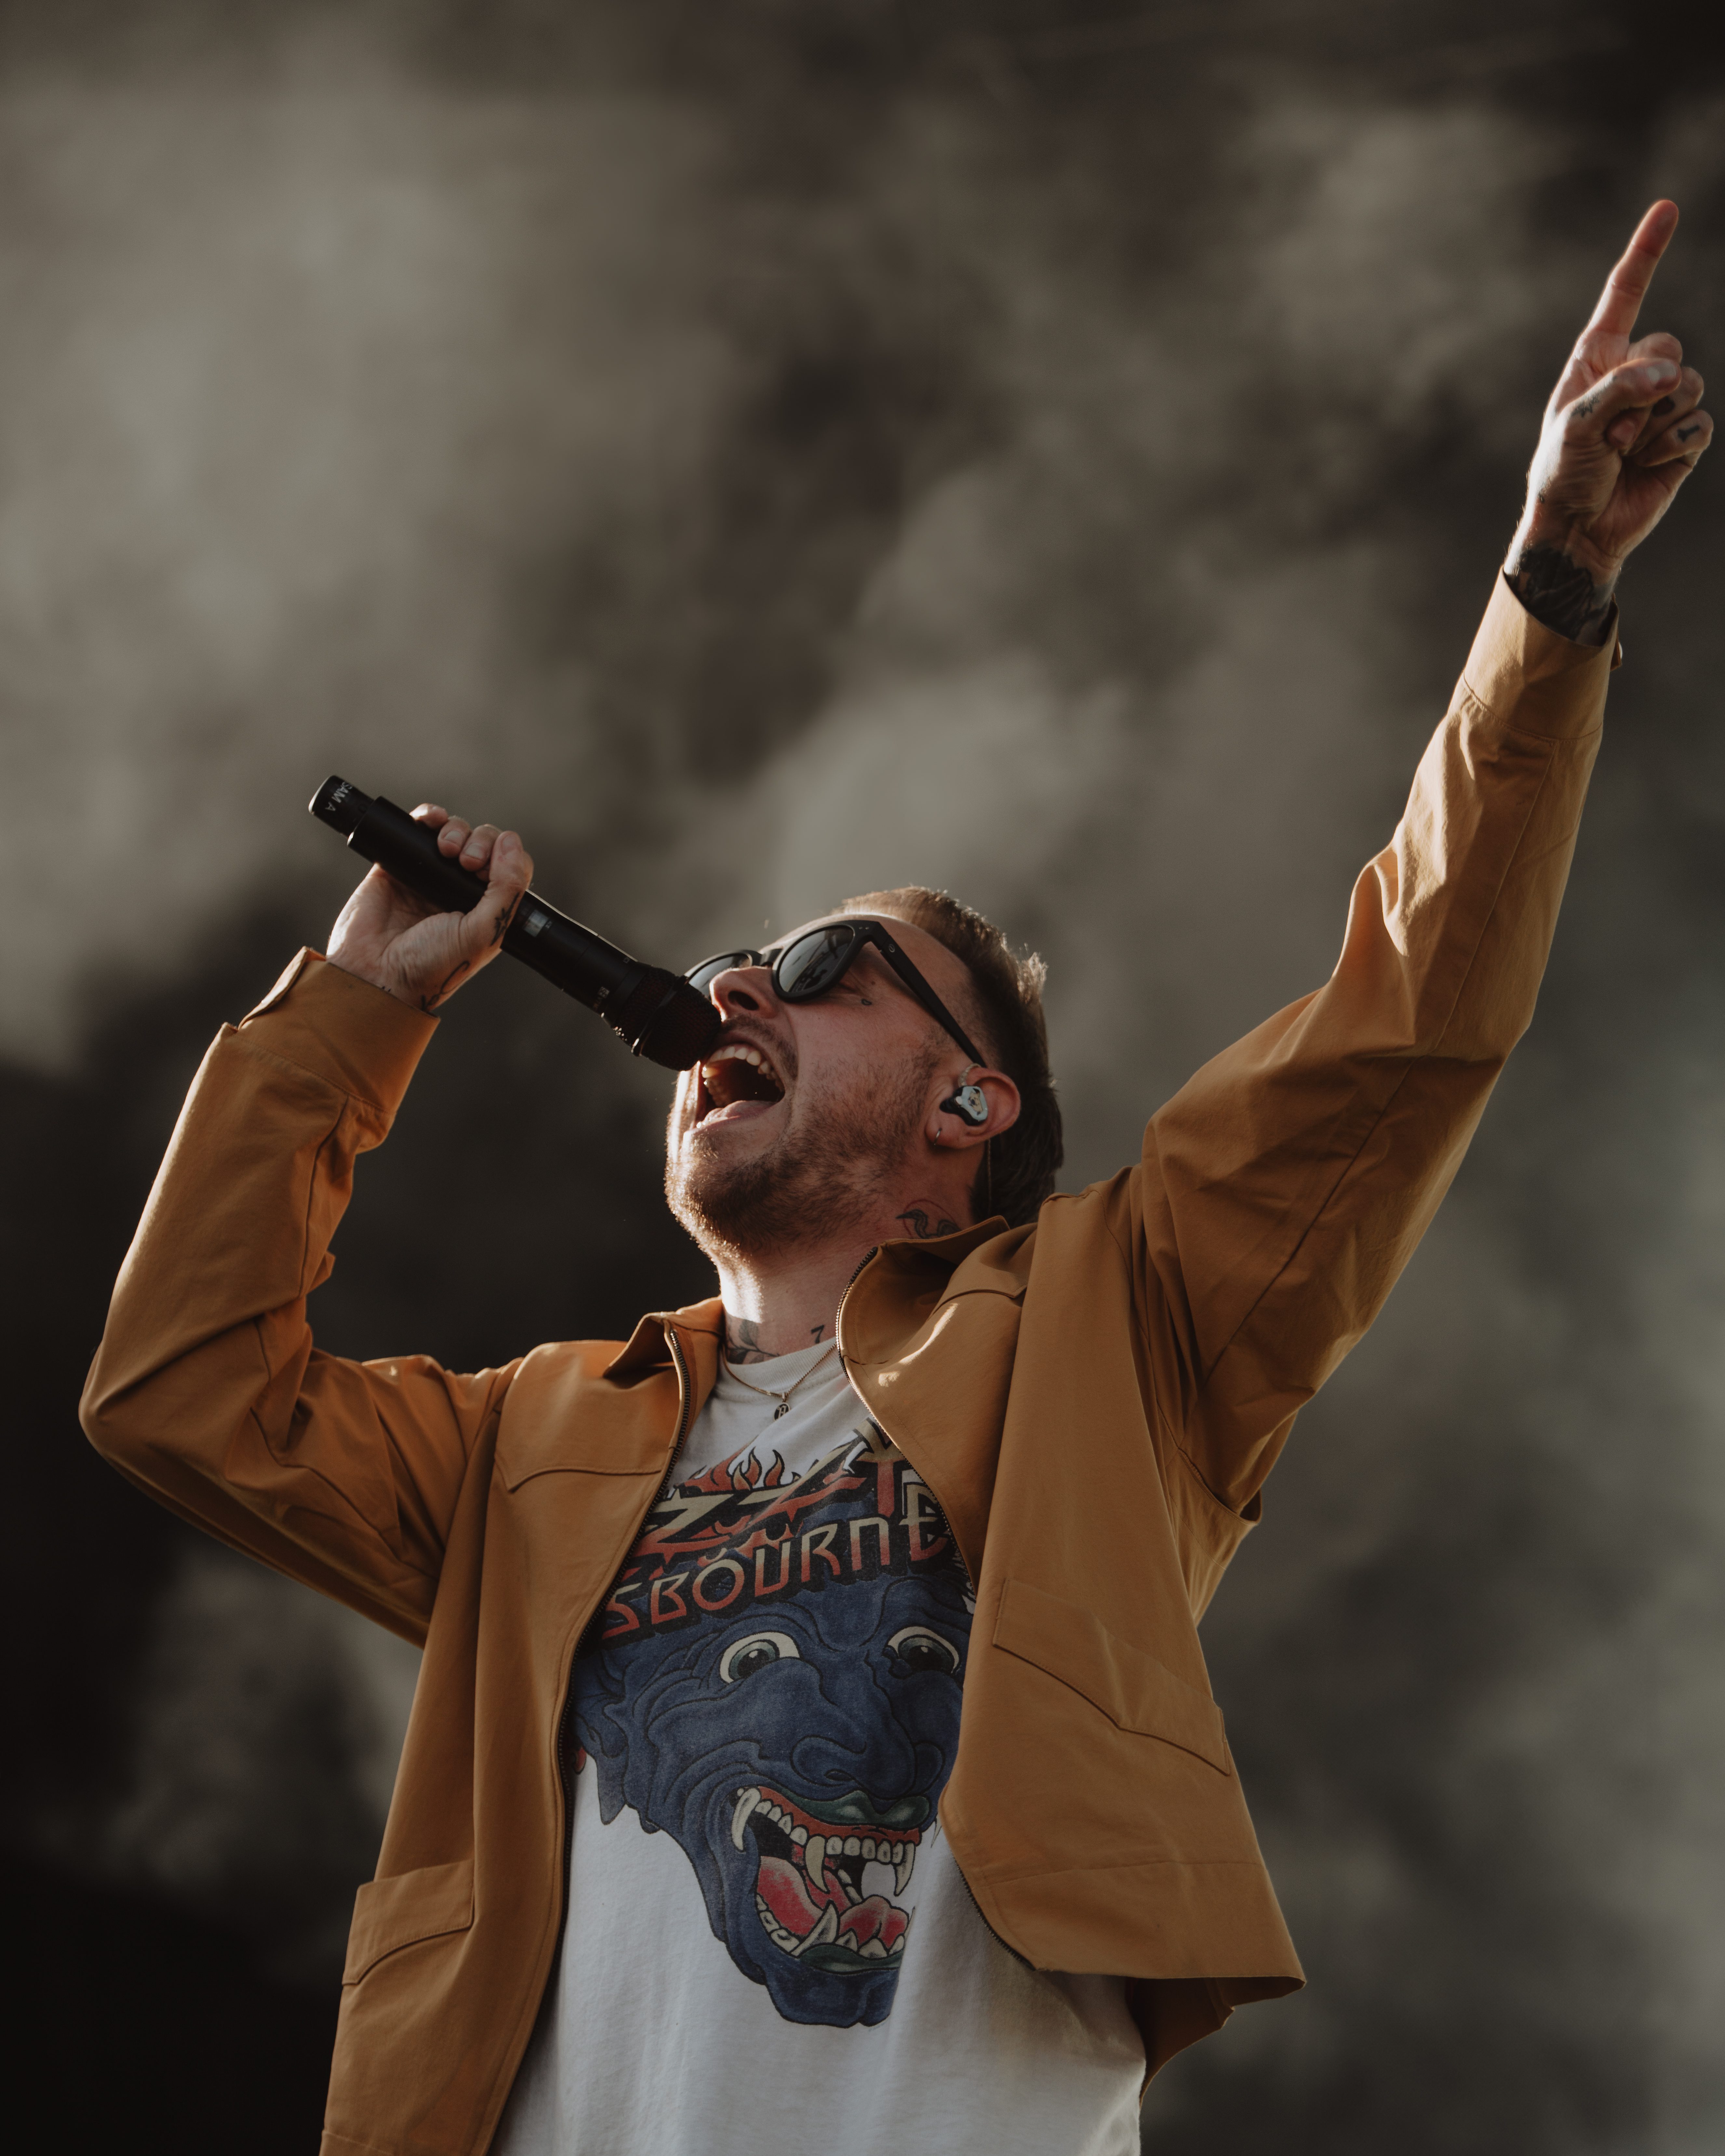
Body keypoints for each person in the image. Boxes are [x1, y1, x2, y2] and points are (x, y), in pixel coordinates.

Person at [82, 202, 1709, 2156]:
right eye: (734, 965)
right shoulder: (524, 1456)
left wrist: (1549, 581)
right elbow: (182, 1392)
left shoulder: (1128, 1328)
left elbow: (1406, 1015)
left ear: (965, 1114)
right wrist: (349, 1009)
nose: (739, 980)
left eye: (829, 963)